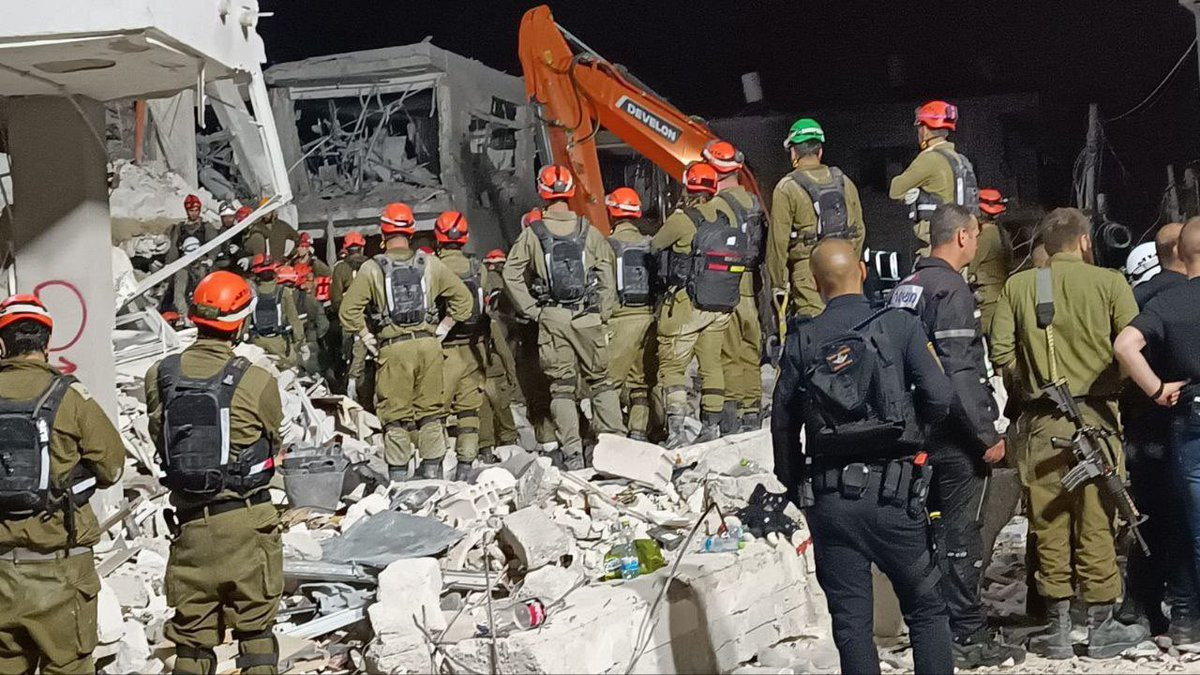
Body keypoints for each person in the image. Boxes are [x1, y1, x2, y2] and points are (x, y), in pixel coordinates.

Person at [772, 239, 954, 674]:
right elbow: (941, 396)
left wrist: (798, 486)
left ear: (817, 284)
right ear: (863, 270)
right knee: (927, 611)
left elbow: (782, 425)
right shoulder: (900, 325)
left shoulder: (802, 340)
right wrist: (914, 434)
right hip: (896, 496)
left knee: (851, 624)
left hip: (831, 502)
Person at [991, 207, 1146, 658]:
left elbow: (1001, 353)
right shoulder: (1110, 283)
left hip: (1041, 423)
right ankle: (1101, 625)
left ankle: (1057, 627)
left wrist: (1031, 382)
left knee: (1048, 521)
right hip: (1097, 419)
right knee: (1098, 519)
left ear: (1046, 244)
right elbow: (1132, 347)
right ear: (1084, 241)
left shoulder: (1019, 286)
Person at [889, 205, 1024, 667]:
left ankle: (933, 628)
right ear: (963, 236)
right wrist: (986, 435)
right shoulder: (951, 290)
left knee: (928, 535)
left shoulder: (906, 288)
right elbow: (960, 372)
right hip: (950, 435)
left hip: (911, 431)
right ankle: (967, 634)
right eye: (977, 236)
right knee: (960, 536)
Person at [144, 271, 284, 675]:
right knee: (256, 636)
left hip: (191, 528)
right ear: (240, 322)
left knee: (191, 643)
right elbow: (273, 440)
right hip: (247, 523)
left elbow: (160, 437)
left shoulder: (161, 375)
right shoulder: (257, 380)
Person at [0, 295, 124, 674]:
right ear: (47, 343)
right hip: (62, 570)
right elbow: (112, 468)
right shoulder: (70, 397)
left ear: (1, 344)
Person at [503, 165, 625, 468]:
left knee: (562, 388)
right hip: (588, 317)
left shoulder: (533, 234)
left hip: (553, 318)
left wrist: (533, 310)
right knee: (602, 382)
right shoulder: (588, 231)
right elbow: (607, 272)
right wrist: (603, 311)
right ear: (570, 192)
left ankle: (572, 454)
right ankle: (616, 449)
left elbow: (511, 274)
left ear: (542, 192)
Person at [340, 203, 473, 481]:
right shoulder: (430, 264)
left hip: (393, 349)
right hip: (428, 345)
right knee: (431, 413)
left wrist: (367, 337)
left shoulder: (371, 268)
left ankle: (399, 480)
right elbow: (464, 300)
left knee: (395, 416)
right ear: (411, 232)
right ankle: (433, 475)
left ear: (382, 233)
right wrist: (444, 328)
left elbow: (348, 311)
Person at [1114, 219, 1199, 642]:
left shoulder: (1160, 300)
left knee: (1180, 516)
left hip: (1180, 419)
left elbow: (1123, 347)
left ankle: (1180, 614)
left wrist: (1156, 390)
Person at [650, 162, 748, 447]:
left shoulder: (683, 219)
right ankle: (711, 427)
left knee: (672, 366)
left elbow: (655, 245)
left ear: (687, 187)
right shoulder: (727, 216)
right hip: (720, 305)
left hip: (687, 304)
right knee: (711, 364)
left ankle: (676, 432)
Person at [768, 118, 866, 318]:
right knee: (851, 323)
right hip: (846, 269)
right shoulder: (844, 182)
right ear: (819, 151)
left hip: (808, 273)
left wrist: (779, 284)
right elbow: (859, 230)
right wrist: (847, 261)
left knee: (816, 328)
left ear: (794, 152)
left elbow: (778, 244)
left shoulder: (786, 188)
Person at [703, 140, 766, 432]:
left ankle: (733, 413)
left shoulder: (715, 205)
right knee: (750, 348)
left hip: (724, 283)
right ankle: (752, 409)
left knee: (727, 350)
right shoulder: (752, 202)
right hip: (750, 282)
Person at [433, 211, 490, 480]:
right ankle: (466, 466)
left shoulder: (431, 267)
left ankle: (435, 467)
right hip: (472, 348)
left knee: (434, 412)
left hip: (442, 350)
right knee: (468, 410)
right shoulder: (479, 268)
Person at [889, 101, 979, 257]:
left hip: (937, 244)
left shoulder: (929, 159)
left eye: (920, 127)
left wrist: (916, 193)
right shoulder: (961, 160)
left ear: (925, 131)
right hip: (960, 242)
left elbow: (895, 190)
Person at [604, 187, 657, 441]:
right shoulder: (650, 244)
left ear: (612, 213)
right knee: (640, 383)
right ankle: (638, 431)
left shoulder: (607, 246)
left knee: (608, 383)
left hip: (620, 320)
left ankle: (608, 434)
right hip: (648, 318)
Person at [478, 248, 519, 456]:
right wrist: (512, 376)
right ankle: (510, 448)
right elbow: (504, 350)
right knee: (503, 412)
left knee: (483, 414)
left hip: (479, 374)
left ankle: (485, 449)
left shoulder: (474, 321)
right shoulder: (491, 322)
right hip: (496, 372)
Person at [164, 194, 220, 317]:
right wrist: (168, 264)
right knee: (179, 290)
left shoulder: (206, 227)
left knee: (201, 290)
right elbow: (174, 248)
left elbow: (215, 244)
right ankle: (184, 315)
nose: (194, 213)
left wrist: (211, 258)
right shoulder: (180, 228)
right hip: (183, 263)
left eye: (196, 210)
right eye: (191, 210)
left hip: (201, 263)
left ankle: (203, 313)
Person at [245, 254, 305, 367]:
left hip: (256, 342)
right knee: (291, 367)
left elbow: (245, 321)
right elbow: (295, 321)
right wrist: (299, 343)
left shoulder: (249, 292)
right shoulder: (283, 292)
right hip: (279, 344)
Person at [971, 189, 1012, 333]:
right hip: (998, 295)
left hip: (988, 300)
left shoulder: (986, 236)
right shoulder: (1000, 232)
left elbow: (969, 268)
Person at [277, 264, 327, 376]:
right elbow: (323, 325)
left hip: (283, 347)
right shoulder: (307, 300)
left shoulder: (273, 301)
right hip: (308, 344)